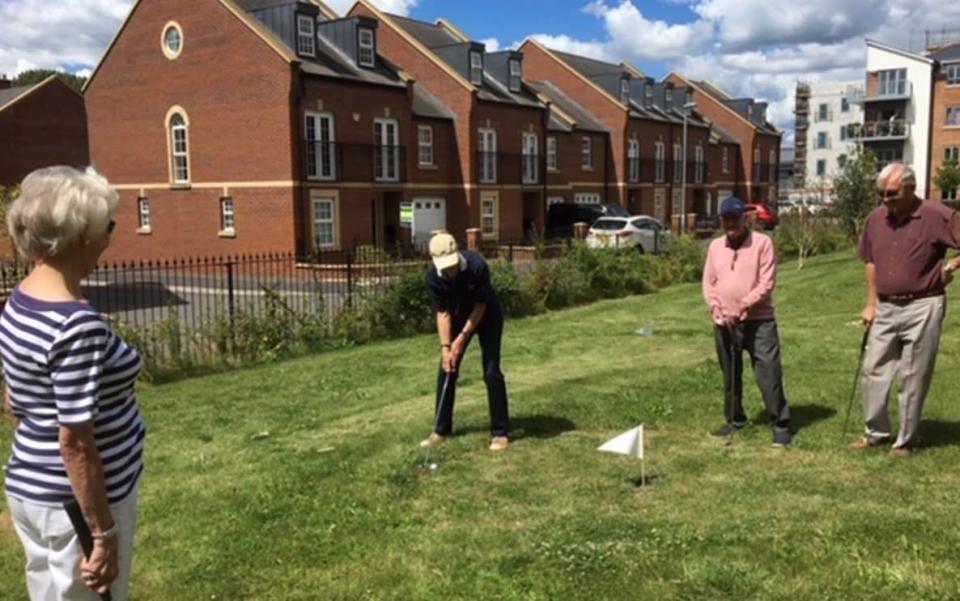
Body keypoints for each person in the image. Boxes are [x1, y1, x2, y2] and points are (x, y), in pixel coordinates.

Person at [1, 166, 145, 600]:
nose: (109, 238)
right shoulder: (75, 325)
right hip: (76, 509)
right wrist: (102, 533)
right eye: (108, 227)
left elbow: (14, 397)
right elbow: (76, 443)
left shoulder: (23, 297)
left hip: (33, 489)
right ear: (83, 234)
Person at [851, 163, 960, 456]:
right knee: (874, 369)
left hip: (923, 304)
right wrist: (870, 303)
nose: (885, 199)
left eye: (891, 193)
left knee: (913, 375)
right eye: (881, 194)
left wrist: (950, 265)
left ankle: (905, 441)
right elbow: (870, 261)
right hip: (885, 307)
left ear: (911, 188)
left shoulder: (936, 215)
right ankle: (876, 432)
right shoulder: (875, 220)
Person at [702, 197, 792, 447]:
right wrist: (715, 306)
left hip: (758, 321)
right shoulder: (715, 247)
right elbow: (709, 283)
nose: (731, 223)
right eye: (726, 219)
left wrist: (743, 305)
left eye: (735, 218)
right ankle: (734, 420)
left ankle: (780, 425)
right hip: (724, 322)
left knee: (768, 373)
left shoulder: (763, 243)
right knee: (730, 374)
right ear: (722, 220)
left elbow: (767, 283)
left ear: (745, 218)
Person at [421, 232, 509, 451]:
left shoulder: (476, 265)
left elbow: (480, 306)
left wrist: (461, 338)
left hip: (487, 317)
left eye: (451, 264)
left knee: (491, 371)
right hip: (457, 317)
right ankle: (441, 429)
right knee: (447, 368)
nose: (449, 270)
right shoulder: (433, 276)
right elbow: (442, 314)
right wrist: (446, 348)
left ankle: (500, 432)